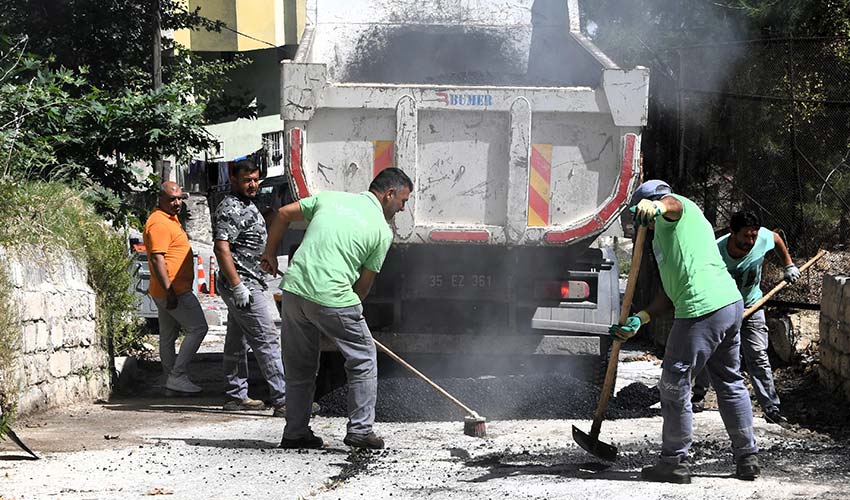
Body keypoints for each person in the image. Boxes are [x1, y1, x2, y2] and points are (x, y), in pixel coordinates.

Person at [609, 180, 759, 483]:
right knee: (729, 380)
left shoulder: (680, 210)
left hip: (702, 309)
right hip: (727, 305)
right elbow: (670, 292)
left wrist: (658, 205)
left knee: (674, 382)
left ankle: (674, 461)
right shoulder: (664, 238)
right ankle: (747, 457)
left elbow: (674, 204)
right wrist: (642, 317)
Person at [260, 167, 412, 450]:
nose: (402, 208)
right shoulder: (381, 231)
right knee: (364, 358)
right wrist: (346, 316)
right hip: (333, 297)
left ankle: (295, 432)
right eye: (403, 201)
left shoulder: (329, 199)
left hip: (294, 292)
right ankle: (360, 430)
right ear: (389, 194)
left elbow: (282, 214)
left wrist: (269, 253)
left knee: (300, 368)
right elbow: (363, 288)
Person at [691, 210, 799, 426]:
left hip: (752, 304)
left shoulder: (762, 238)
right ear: (732, 232)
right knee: (708, 351)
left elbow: (776, 238)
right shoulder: (715, 251)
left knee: (758, 355)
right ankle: (699, 394)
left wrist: (788, 265)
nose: (750, 241)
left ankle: (771, 407)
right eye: (746, 236)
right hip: (720, 306)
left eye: (754, 236)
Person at [214, 160, 289, 416]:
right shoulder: (229, 207)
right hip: (242, 284)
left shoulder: (249, 204)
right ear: (233, 180)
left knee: (237, 339)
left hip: (251, 280)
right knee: (266, 337)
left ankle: (235, 395)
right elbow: (221, 248)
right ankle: (283, 400)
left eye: (256, 180)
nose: (253, 185)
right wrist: (237, 286)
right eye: (247, 180)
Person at [143, 181, 208, 394]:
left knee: (168, 336)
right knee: (198, 328)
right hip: (174, 290)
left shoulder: (168, 218)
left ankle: (170, 378)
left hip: (169, 289)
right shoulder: (159, 223)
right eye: (172, 199)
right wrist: (170, 291)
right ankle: (177, 375)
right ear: (160, 199)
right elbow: (157, 260)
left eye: (179, 198)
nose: (177, 202)